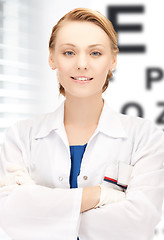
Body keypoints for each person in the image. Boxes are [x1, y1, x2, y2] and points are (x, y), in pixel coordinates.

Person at [0, 7, 164, 240]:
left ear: (113, 60)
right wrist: (101, 196)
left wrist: (37, 205)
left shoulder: (145, 137)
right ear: (51, 58)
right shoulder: (21, 136)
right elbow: (9, 217)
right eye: (69, 53)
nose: (82, 64)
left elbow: (138, 224)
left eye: (95, 53)